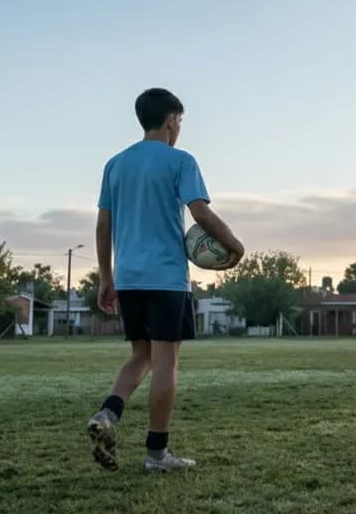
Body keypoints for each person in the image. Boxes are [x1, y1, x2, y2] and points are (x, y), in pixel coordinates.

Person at [86, 87, 244, 472]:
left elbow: (103, 225)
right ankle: (157, 455)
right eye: (180, 121)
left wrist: (106, 278)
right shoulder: (180, 161)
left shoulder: (115, 164)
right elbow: (200, 213)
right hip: (166, 279)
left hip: (129, 279)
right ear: (172, 120)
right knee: (166, 362)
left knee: (140, 356)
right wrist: (235, 246)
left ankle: (109, 414)